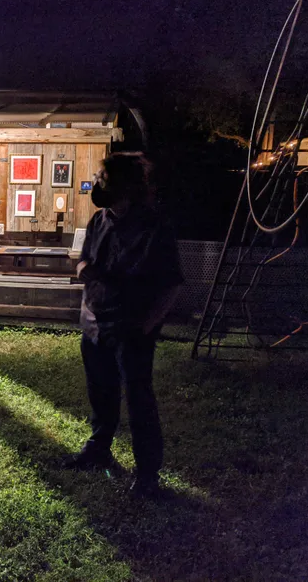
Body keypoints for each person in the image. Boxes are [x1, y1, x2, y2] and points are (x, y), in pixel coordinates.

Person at [63, 153, 183, 498]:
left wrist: (146, 326)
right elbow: (84, 260)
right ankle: (98, 448)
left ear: (123, 184)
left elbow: (172, 284)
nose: (96, 184)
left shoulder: (154, 226)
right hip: (94, 324)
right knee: (101, 392)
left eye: (102, 178)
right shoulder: (98, 220)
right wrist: (83, 269)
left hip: (130, 329)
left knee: (138, 401)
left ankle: (147, 475)